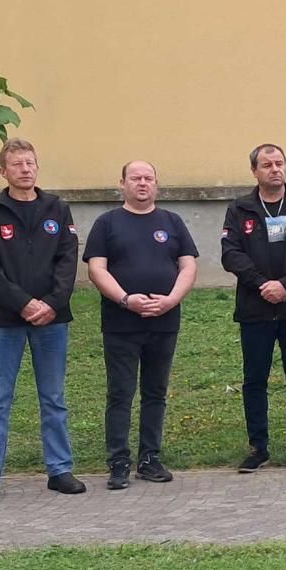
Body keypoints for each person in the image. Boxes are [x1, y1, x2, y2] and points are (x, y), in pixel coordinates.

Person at [0, 138, 85, 503]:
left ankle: (59, 470)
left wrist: (51, 303)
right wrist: (23, 303)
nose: (25, 169)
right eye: (17, 164)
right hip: (5, 319)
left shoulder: (57, 209)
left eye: (30, 162)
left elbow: (67, 259)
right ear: (3, 171)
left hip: (52, 319)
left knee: (53, 397)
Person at [84, 161, 198, 490]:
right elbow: (96, 269)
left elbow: (188, 266)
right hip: (121, 322)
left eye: (149, 178)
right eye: (135, 178)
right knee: (120, 392)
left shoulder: (172, 222)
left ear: (157, 185)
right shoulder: (107, 223)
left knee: (155, 392)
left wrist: (171, 300)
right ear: (122, 184)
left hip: (164, 321)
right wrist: (125, 299)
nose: (143, 183)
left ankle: (150, 459)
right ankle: (118, 462)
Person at [221, 143, 286, 472]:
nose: (275, 169)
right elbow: (231, 254)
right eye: (267, 165)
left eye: (279, 163)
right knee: (255, 379)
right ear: (254, 171)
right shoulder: (239, 209)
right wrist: (261, 284)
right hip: (255, 307)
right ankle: (258, 446)